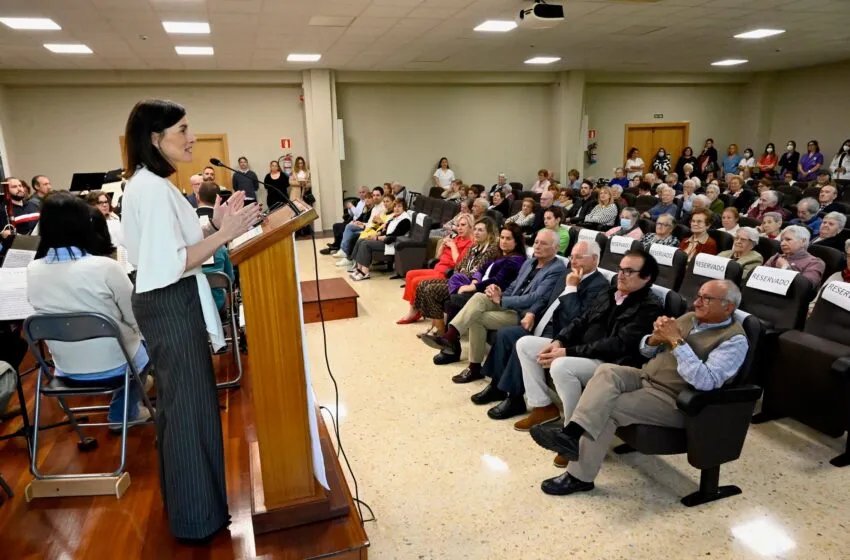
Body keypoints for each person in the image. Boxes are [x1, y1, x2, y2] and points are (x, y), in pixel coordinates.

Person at [120, 99, 261, 541]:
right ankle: (196, 519)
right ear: (155, 139)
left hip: (166, 300)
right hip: (169, 301)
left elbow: (170, 248)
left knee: (188, 407)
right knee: (187, 412)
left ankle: (194, 509)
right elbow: (172, 263)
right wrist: (225, 233)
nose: (192, 138)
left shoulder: (151, 186)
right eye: (182, 130)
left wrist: (212, 226)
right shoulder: (151, 189)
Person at [530, 279, 748, 495]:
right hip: (646, 375)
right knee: (607, 371)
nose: (698, 302)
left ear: (728, 307)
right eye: (698, 296)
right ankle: (572, 434)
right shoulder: (690, 318)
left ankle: (579, 477)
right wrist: (654, 338)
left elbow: (706, 381)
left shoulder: (734, 341)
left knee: (608, 406)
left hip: (675, 399)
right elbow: (646, 350)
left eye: (707, 298)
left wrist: (676, 342)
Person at [516, 248, 663, 467]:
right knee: (526, 344)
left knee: (561, 366)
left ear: (647, 277)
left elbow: (618, 344)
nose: (621, 275)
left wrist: (567, 352)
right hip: (582, 350)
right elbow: (581, 320)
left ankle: (572, 434)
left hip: (612, 364)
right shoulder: (610, 291)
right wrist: (560, 341)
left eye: (629, 271)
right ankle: (543, 406)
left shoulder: (649, 307)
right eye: (621, 269)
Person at [27, 193, 151, 429]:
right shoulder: (106, 267)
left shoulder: (33, 269)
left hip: (66, 369)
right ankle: (125, 410)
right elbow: (136, 316)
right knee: (152, 338)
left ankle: (132, 388)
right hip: (115, 364)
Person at [473, 240, 609, 419]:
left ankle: (515, 399)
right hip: (542, 322)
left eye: (579, 257)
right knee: (506, 334)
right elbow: (545, 299)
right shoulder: (568, 273)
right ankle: (497, 387)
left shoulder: (599, 286)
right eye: (572, 256)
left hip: (560, 333)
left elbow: (577, 317)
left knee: (520, 343)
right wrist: (531, 312)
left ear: (594, 259)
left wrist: (571, 287)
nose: (573, 261)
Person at [420, 229, 567, 372]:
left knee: (476, 317)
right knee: (479, 297)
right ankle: (451, 338)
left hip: (524, 314)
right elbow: (514, 285)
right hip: (509, 303)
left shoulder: (557, 269)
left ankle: (472, 365)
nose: (537, 246)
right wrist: (499, 292)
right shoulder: (530, 263)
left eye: (544, 243)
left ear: (556, 247)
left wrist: (502, 300)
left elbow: (535, 297)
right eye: (536, 242)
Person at [414, 219, 507, 338]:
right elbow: (459, 265)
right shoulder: (474, 246)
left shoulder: (492, 249)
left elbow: (477, 272)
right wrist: (464, 271)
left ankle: (440, 331)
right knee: (422, 285)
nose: (476, 233)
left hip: (471, 286)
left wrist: (465, 271)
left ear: (489, 233)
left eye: (480, 230)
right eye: (475, 229)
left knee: (430, 290)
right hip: (459, 280)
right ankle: (436, 326)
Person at [397, 214, 475, 324]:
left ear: (471, 226)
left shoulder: (470, 244)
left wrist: (453, 247)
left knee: (416, 282)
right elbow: (438, 257)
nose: (459, 228)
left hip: (447, 273)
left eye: (463, 225)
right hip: (438, 268)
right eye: (458, 225)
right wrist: (442, 246)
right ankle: (415, 309)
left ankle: (414, 311)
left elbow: (460, 264)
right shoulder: (456, 238)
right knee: (410, 274)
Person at [349, 198, 411, 281]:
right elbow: (384, 229)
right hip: (385, 240)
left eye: (399, 206)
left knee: (366, 244)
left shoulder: (405, 220)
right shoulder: (394, 217)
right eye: (395, 206)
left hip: (392, 244)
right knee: (361, 240)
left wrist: (376, 238)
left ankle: (365, 272)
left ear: (404, 208)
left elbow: (393, 237)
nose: (396, 208)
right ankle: (359, 269)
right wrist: (376, 234)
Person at [329, 187, 385, 259]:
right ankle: (343, 250)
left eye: (377, 195)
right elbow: (367, 221)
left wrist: (363, 225)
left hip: (373, 230)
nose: (375, 197)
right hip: (367, 227)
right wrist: (360, 223)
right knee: (347, 226)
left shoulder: (382, 208)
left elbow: (378, 224)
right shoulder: (373, 208)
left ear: (382, 196)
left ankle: (346, 254)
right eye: (374, 195)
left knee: (352, 232)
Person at [765, 225, 825, 289]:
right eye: (781, 240)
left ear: (803, 241)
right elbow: (758, 277)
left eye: (788, 239)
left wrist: (785, 267)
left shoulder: (815, 262)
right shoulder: (776, 257)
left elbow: (805, 286)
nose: (782, 244)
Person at [322, 186, 371, 255]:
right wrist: (349, 208)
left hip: (360, 223)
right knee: (336, 226)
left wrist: (352, 207)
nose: (361, 194)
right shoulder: (360, 202)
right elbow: (353, 214)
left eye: (363, 192)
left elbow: (358, 214)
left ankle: (341, 248)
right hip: (354, 220)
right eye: (360, 192)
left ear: (368, 193)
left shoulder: (366, 203)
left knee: (344, 227)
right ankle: (337, 244)